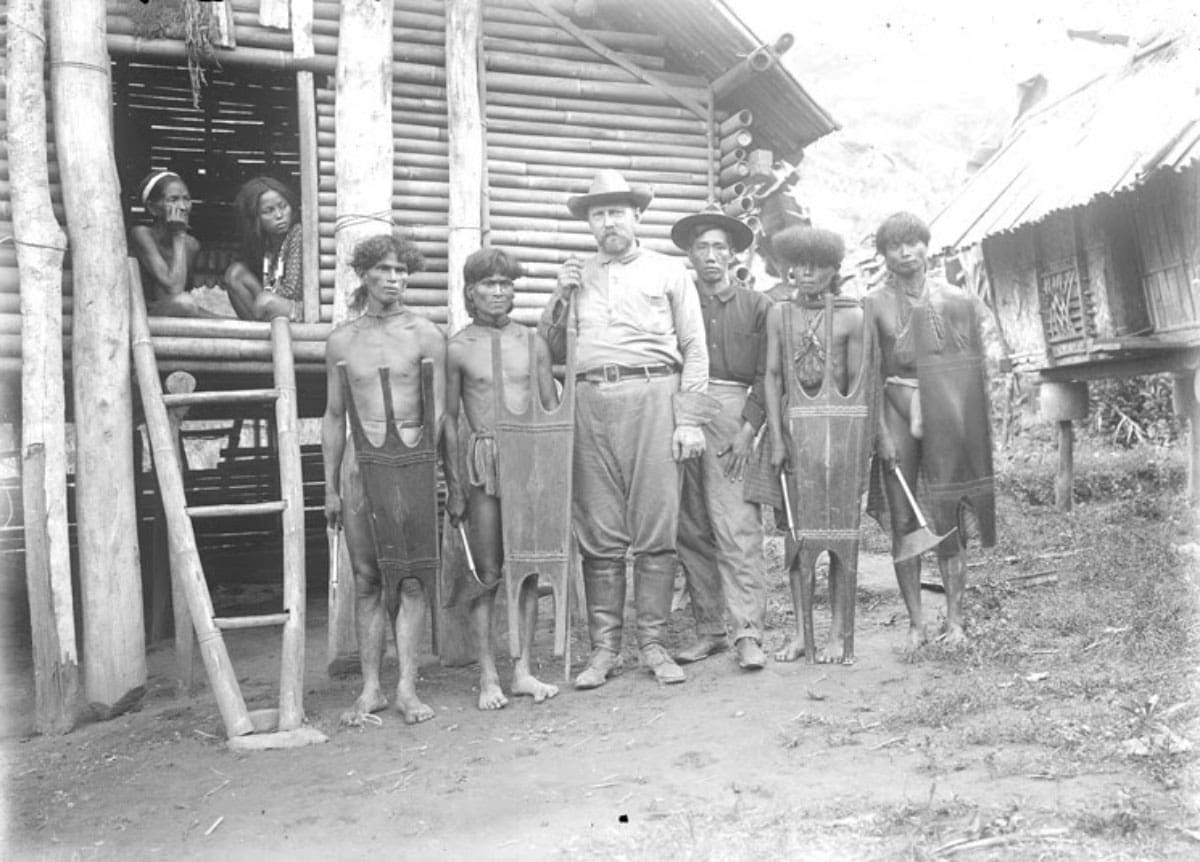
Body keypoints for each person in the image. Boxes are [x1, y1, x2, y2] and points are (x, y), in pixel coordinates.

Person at [539, 170, 714, 689]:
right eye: (598, 213)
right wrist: (559, 296)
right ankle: (604, 650)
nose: (608, 221)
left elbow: (695, 348)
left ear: (637, 217)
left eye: (617, 211)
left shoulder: (668, 271)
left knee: (656, 527)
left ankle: (654, 645)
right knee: (599, 530)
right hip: (590, 401)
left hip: (654, 396)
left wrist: (689, 420)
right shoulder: (576, 276)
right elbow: (551, 351)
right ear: (589, 223)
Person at [863, 212, 1003, 651]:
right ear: (883, 254)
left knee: (949, 512)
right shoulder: (873, 303)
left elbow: (973, 370)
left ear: (927, 245)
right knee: (903, 518)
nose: (905, 253)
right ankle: (916, 623)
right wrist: (880, 434)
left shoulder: (954, 298)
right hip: (895, 406)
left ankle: (956, 621)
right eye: (894, 246)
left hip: (947, 409)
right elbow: (869, 374)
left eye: (912, 243)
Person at [322, 233, 445, 724]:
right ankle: (371, 687)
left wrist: (425, 468)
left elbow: (440, 412)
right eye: (385, 270)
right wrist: (330, 485)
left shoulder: (425, 334)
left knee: (412, 578)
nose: (395, 279)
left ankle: (407, 688)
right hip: (358, 465)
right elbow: (333, 416)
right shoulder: (342, 340)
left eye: (402, 270)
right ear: (364, 274)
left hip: (410, 463)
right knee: (367, 577)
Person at [444, 248, 561, 710]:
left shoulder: (533, 343)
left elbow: (551, 409)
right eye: (488, 284)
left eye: (506, 283)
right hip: (484, 462)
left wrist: (551, 472)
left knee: (528, 566)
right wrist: (454, 485)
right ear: (470, 291)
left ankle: (523, 671)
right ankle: (488, 676)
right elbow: (449, 420)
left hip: (529, 462)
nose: (498, 291)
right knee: (487, 571)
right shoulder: (458, 347)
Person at [668, 205, 770, 671]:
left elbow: (770, 373)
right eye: (702, 247)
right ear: (690, 254)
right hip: (681, 408)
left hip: (732, 412)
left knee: (736, 524)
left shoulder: (756, 305)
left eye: (719, 248)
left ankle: (748, 630)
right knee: (690, 526)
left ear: (732, 256)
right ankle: (709, 629)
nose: (710, 256)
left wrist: (749, 428)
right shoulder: (675, 299)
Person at [764, 226, 868, 663]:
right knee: (797, 539)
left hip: (839, 439)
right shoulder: (779, 315)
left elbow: (861, 385)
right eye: (798, 263)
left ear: (833, 270)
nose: (805, 273)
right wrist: (776, 437)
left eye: (816, 265)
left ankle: (838, 635)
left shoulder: (852, 316)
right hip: (794, 437)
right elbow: (771, 376)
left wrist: (856, 445)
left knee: (839, 535)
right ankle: (802, 632)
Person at [128, 170, 211, 317]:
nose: (183, 207)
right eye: (173, 200)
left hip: (177, 308)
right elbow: (174, 288)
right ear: (152, 208)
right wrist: (178, 234)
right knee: (185, 302)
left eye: (186, 199)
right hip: (142, 314)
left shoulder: (191, 244)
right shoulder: (141, 234)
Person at [225, 176, 305, 322]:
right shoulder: (267, 242)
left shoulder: (298, 233)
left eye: (283, 206)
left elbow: (291, 292)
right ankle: (256, 332)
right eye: (269, 211)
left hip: (298, 310)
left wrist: (264, 297)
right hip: (272, 305)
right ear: (256, 218)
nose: (279, 215)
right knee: (235, 274)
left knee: (265, 301)